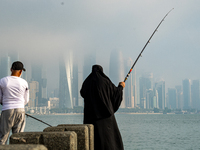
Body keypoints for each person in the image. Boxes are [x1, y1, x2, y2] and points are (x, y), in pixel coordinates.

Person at [80, 64, 125, 150]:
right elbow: (115, 95)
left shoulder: (87, 82)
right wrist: (120, 86)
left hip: (90, 119)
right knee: (110, 142)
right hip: (106, 120)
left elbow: (82, 93)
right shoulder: (105, 81)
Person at [0, 61, 29, 145]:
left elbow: (0, 98)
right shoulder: (24, 82)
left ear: (11, 69)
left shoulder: (2, 81)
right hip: (20, 110)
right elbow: (26, 100)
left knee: (3, 138)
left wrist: (5, 103)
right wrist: (19, 105)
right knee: (18, 138)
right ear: (21, 71)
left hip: (7, 110)